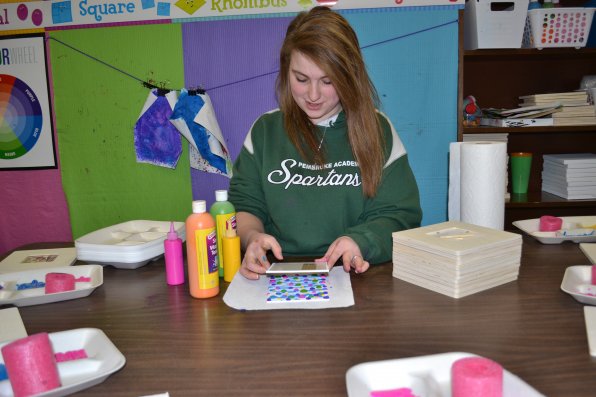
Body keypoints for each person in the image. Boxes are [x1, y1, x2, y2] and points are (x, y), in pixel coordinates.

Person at [228, 6, 422, 280]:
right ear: (286, 72)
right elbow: (245, 207)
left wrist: (361, 241)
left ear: (349, 76)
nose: (313, 95)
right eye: (301, 79)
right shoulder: (265, 131)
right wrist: (252, 238)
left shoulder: (379, 131)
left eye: (328, 81)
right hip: (278, 274)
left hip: (356, 276)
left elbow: (400, 215)